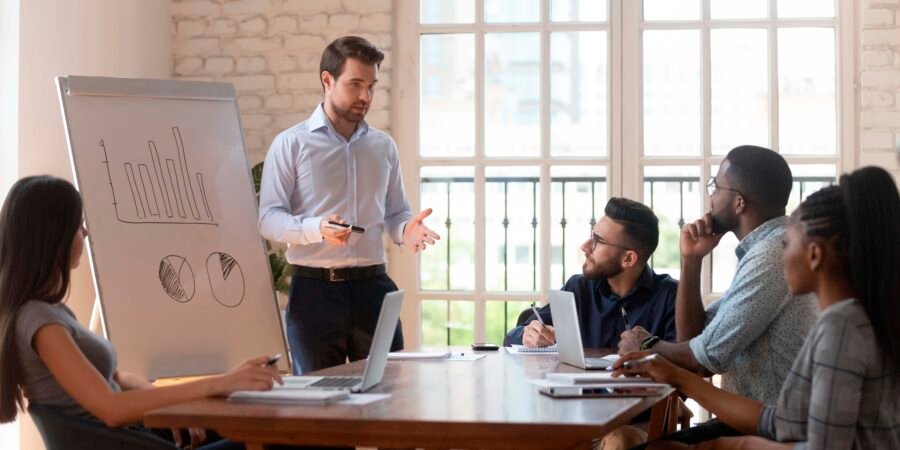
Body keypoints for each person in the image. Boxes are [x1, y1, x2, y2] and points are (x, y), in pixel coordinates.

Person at [615, 166, 900, 449]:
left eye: (787, 243)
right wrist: (676, 376)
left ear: (814, 255)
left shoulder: (841, 325)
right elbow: (788, 422)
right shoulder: (849, 318)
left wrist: (729, 446)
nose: (782, 252)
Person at [0, 176, 283, 449]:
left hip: (141, 436)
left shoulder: (49, 311)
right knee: (283, 437)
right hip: (128, 442)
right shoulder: (41, 323)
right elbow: (111, 409)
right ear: (53, 236)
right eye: (78, 225)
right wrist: (221, 382)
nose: (85, 232)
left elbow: (118, 378)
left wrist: (173, 406)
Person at [258, 36, 439, 374]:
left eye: (371, 86)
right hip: (314, 293)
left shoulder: (383, 147)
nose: (365, 96)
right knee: (317, 403)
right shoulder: (291, 144)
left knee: (388, 397)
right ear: (327, 80)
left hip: (375, 289)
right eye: (355, 84)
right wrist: (318, 229)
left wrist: (405, 231)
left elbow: (395, 212)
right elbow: (269, 218)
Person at [619, 146, 817, 422]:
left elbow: (704, 360)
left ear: (739, 203)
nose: (710, 197)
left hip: (770, 428)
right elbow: (695, 337)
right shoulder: (765, 248)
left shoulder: (772, 253)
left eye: (715, 186)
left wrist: (646, 344)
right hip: (750, 421)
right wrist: (691, 260)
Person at [506, 197, 677, 349]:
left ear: (628, 259)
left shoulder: (671, 297)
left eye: (598, 241)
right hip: (578, 386)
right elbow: (511, 338)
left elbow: (686, 364)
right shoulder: (578, 288)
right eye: (591, 235)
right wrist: (527, 335)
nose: (585, 246)